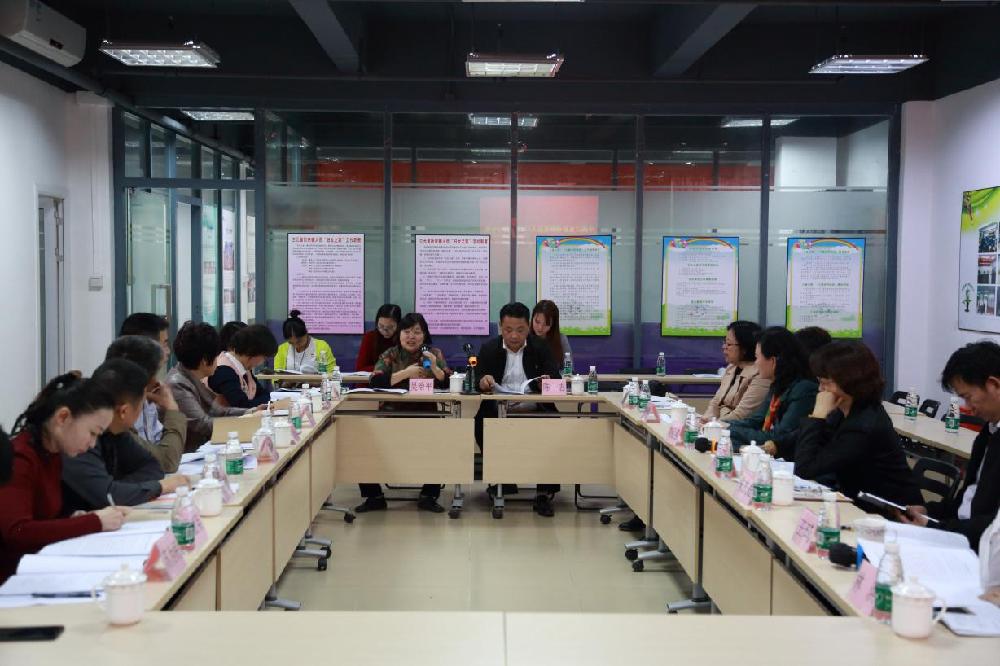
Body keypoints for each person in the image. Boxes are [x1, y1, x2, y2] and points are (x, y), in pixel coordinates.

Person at [0, 373, 128, 582]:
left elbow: (42, 516)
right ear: (63, 418)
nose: (92, 444)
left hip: (40, 569)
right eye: (92, 433)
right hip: (13, 581)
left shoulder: (52, 454)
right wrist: (93, 522)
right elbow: (17, 532)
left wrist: (71, 519)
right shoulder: (21, 458)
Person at [786, 341, 923, 511]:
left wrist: (818, 416)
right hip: (861, 502)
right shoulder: (846, 410)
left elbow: (806, 468)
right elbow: (810, 443)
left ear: (850, 382)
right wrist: (775, 444)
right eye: (819, 381)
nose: (821, 389)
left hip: (891, 513)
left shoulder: (862, 426)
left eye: (826, 383)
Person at [901, 341, 1000, 550]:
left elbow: (993, 527)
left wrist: (937, 529)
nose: (968, 408)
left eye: (968, 397)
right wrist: (930, 512)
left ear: (994, 385)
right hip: (962, 537)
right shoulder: (989, 431)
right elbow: (967, 499)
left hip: (983, 551)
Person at [62, 359, 189, 512]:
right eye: (142, 403)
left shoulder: (117, 432)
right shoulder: (79, 439)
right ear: (124, 411)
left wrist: (118, 487)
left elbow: (152, 467)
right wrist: (159, 487)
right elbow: (107, 496)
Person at [356, 313, 451, 514]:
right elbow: (375, 381)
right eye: (406, 332)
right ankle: (374, 497)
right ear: (399, 334)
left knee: (441, 442)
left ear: (424, 335)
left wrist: (435, 367)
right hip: (391, 417)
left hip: (426, 418)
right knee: (362, 445)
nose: (411, 337)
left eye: (417, 332)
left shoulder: (433, 353)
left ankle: (429, 496)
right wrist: (406, 373)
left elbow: (448, 383)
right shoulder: (390, 354)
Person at [474, 302, 562, 517]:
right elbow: (477, 379)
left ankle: (544, 491)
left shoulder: (540, 347)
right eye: (508, 330)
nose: (514, 335)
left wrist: (545, 383)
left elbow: (555, 379)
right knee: (480, 423)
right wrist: (483, 382)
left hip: (534, 408)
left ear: (528, 327)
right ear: (500, 327)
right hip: (498, 410)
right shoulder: (489, 348)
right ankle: (500, 480)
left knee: (554, 425)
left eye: (520, 330)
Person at [105, 336, 186, 473]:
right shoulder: (116, 418)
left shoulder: (147, 401)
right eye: (157, 373)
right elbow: (167, 461)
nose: (158, 382)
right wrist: (172, 410)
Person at [728, 327, 817, 450]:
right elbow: (756, 420)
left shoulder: (804, 389)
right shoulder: (778, 384)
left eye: (757, 357)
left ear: (773, 361)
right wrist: (719, 425)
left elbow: (778, 437)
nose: (756, 363)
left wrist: (729, 429)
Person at [166, 322, 250, 449]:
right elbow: (203, 424)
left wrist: (250, 412)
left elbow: (219, 411)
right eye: (216, 357)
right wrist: (246, 422)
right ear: (205, 360)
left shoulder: (191, 378)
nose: (219, 361)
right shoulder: (177, 385)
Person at [703, 320, 771, 423]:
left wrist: (713, 425)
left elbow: (741, 415)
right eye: (724, 342)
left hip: (736, 429)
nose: (724, 347)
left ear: (744, 348)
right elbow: (716, 403)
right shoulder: (731, 368)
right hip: (719, 425)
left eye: (729, 344)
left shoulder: (760, 374)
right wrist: (706, 419)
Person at [119, 313, 170, 444]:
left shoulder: (147, 389)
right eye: (164, 345)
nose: (168, 351)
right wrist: (172, 410)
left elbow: (157, 439)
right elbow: (156, 453)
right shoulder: (122, 397)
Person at [208, 324, 278, 409]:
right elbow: (242, 406)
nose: (263, 361)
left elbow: (264, 394)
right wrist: (262, 402)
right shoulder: (223, 370)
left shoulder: (244, 368)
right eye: (264, 357)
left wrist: (260, 402)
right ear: (253, 351)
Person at [356, 304, 402, 372]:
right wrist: (383, 367)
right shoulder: (370, 337)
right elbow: (360, 368)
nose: (385, 331)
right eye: (381, 326)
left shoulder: (403, 338)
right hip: (373, 377)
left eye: (390, 327)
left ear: (398, 325)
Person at [531, 300, 571, 366]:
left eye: (546, 324)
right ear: (532, 318)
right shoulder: (524, 338)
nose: (540, 328)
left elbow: (569, 368)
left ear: (553, 324)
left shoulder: (561, 339)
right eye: (537, 322)